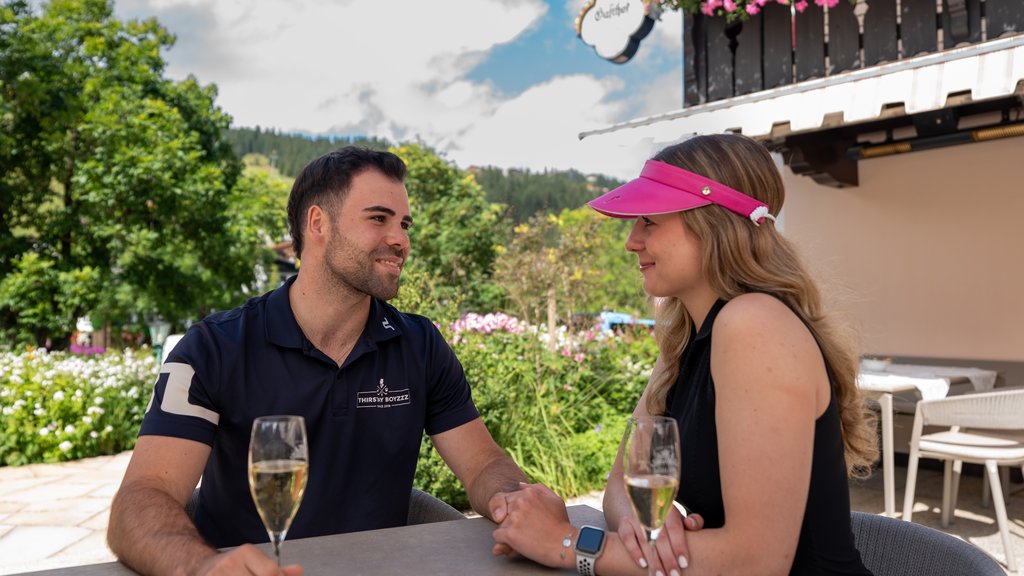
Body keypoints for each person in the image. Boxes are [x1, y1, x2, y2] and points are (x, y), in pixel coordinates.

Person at [108, 146, 528, 576]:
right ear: (318, 223)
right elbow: (142, 499)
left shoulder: (419, 345)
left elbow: (484, 465)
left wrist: (517, 497)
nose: (400, 240)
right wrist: (200, 566)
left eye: (404, 224)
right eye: (378, 218)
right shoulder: (214, 348)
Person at [491, 134, 878, 575]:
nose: (631, 241)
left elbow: (756, 562)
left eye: (650, 221)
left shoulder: (754, 325)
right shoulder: (685, 342)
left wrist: (566, 543)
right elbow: (621, 483)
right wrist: (650, 520)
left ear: (712, 222)